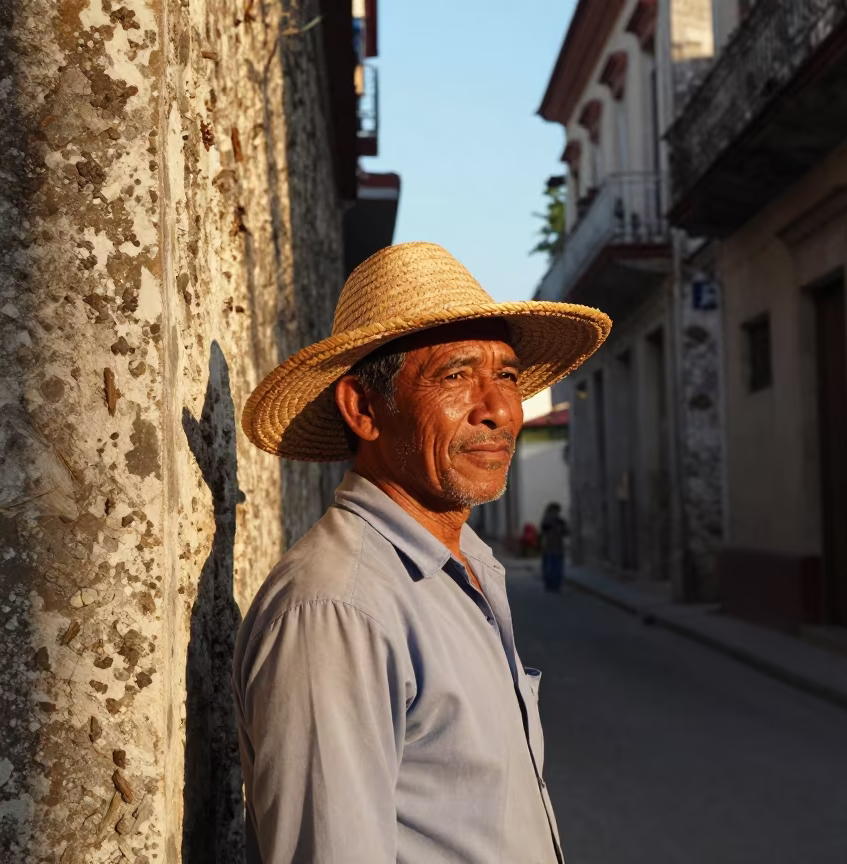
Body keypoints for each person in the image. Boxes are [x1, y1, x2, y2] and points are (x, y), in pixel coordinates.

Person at [233, 242, 610, 863]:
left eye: (508, 376)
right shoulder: (338, 610)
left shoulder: (464, 570)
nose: (498, 410)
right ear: (363, 408)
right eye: (456, 375)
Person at [540, 503, 569, 592]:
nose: (555, 513)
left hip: (557, 548)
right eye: (554, 511)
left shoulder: (560, 521)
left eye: (557, 511)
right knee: (550, 568)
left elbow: (566, 532)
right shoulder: (547, 521)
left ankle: (555, 585)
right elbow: (544, 531)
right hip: (549, 549)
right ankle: (550, 585)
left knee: (557, 568)